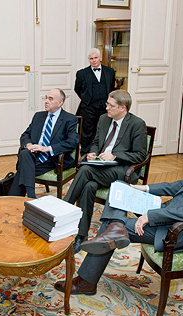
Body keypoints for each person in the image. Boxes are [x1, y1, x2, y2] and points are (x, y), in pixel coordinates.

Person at [54, 107, 183, 295]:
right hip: (173, 211)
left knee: (109, 227)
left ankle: (86, 281)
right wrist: (145, 188)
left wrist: (150, 216)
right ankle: (116, 227)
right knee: (120, 188)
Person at [64, 90, 147, 253]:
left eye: (111, 105)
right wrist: (92, 153)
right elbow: (96, 142)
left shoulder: (137, 124)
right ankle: (81, 235)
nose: (106, 107)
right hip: (100, 167)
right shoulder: (103, 119)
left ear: (123, 108)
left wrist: (115, 155)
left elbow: (140, 155)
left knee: (86, 170)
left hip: (121, 169)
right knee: (88, 187)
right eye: (107, 104)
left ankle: (65, 207)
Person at [8, 88, 78, 198]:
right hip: (34, 156)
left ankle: (13, 199)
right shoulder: (38, 116)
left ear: (60, 103)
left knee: (23, 165)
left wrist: (47, 148)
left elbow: (72, 142)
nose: (46, 101)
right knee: (26, 153)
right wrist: (29, 145)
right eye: (46, 98)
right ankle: (31, 196)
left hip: (54, 159)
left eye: (50, 99)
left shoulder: (69, 119)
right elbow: (25, 135)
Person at [75, 48, 116, 155]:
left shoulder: (110, 71)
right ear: (89, 60)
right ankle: (85, 156)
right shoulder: (82, 73)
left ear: (100, 58)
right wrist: (87, 99)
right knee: (87, 133)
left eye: (96, 58)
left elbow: (111, 88)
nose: (94, 60)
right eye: (91, 59)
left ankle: (102, 154)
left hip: (105, 108)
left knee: (104, 131)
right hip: (88, 108)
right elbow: (77, 89)